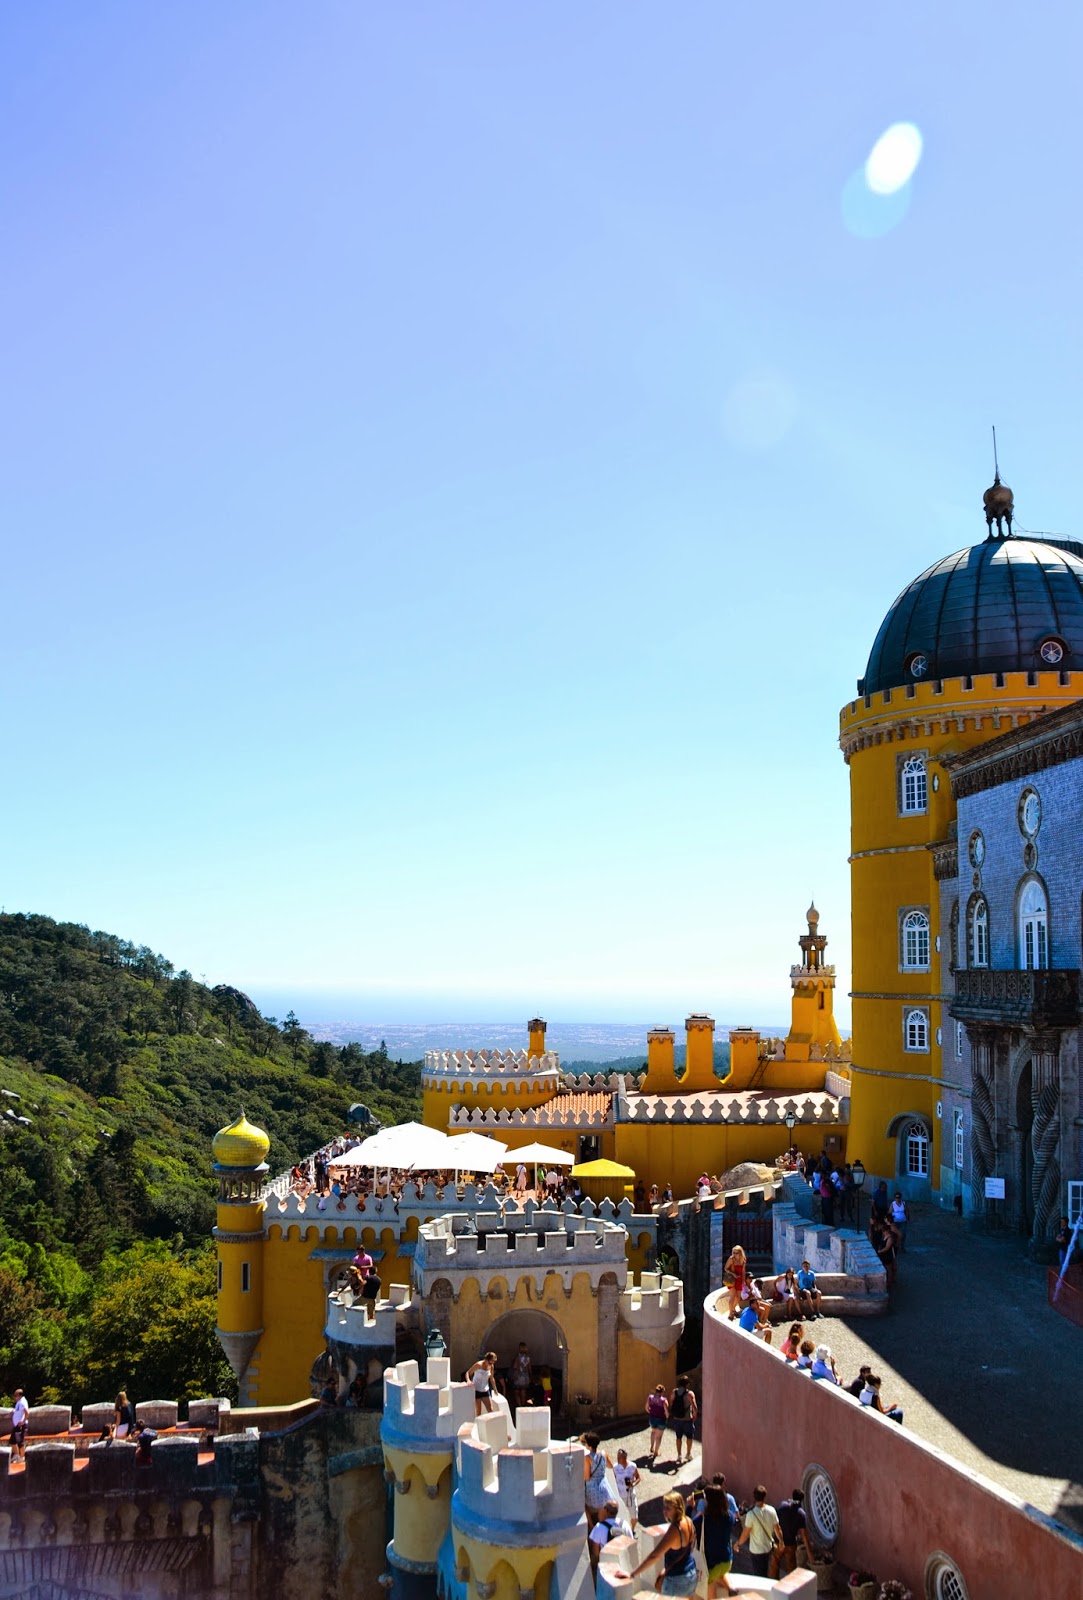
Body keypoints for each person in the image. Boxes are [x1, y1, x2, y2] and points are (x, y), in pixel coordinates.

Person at [617, 1490, 698, 1596]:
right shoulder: (688, 1521)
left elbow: (654, 1556)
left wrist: (632, 1574)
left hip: (676, 1580)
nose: (664, 1511)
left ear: (677, 1508)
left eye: (668, 1508)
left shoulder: (674, 1530)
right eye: (664, 1507)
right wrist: (690, 1507)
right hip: (691, 1574)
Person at [734, 1484, 782, 1578]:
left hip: (756, 1550)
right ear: (765, 1496)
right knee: (765, 1570)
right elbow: (778, 1528)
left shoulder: (751, 1514)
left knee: (759, 1575)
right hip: (768, 1547)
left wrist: (738, 1544)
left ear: (754, 1497)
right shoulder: (771, 1510)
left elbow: (746, 1533)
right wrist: (781, 1542)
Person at [701, 1480, 735, 1597]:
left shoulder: (705, 1520)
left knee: (710, 1586)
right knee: (720, 1573)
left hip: (712, 1563)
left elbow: (690, 1524)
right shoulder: (730, 1516)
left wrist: (690, 1506)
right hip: (727, 1561)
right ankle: (731, 1588)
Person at [773, 1489, 813, 1577]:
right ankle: (790, 1584)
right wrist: (810, 1554)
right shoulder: (801, 1514)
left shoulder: (782, 1505)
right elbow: (804, 1535)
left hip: (778, 1542)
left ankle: (772, 1582)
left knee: (774, 1565)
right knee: (791, 1568)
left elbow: (774, 1522)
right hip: (790, 1544)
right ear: (802, 1500)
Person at [588, 1498, 632, 1577]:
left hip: (607, 1564)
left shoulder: (599, 1527)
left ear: (606, 1510)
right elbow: (630, 1544)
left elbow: (595, 1551)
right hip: (622, 1562)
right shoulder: (625, 1524)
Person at [581, 1432, 612, 1527]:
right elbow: (610, 1466)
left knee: (584, 1505)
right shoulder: (604, 1454)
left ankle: (591, 1526)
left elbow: (587, 1477)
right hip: (604, 1485)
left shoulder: (587, 1458)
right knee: (602, 1509)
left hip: (593, 1487)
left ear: (589, 1445)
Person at [668, 1374, 698, 1465]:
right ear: (687, 1384)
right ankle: (688, 1454)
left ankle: (679, 1455)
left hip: (677, 1418)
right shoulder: (690, 1394)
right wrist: (694, 1415)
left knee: (678, 1437)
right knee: (689, 1437)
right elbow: (695, 1407)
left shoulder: (674, 1392)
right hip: (687, 1419)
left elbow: (671, 1402)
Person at [614, 1448, 640, 1529]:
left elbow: (638, 1478)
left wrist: (633, 1484)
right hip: (619, 1496)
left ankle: (631, 1530)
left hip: (630, 1495)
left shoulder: (632, 1466)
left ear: (624, 1458)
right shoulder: (615, 1467)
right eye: (617, 1456)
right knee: (620, 1517)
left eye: (619, 1457)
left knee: (634, 1517)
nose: (617, 1458)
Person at [646, 1383, 669, 1460]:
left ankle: (652, 1447)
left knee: (653, 1432)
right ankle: (656, 1452)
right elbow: (667, 1412)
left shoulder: (650, 1398)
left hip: (652, 1418)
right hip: (661, 1419)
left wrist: (651, 1412)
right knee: (659, 1436)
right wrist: (667, 1417)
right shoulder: (663, 1400)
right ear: (662, 1392)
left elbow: (646, 1408)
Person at [724, 1245, 747, 1318]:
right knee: (733, 1296)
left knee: (738, 1297)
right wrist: (733, 1274)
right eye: (733, 1252)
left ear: (740, 1253)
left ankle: (733, 1308)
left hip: (739, 1279)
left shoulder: (743, 1259)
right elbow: (726, 1268)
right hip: (732, 1280)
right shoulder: (731, 1259)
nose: (734, 1254)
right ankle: (730, 1313)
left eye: (736, 1253)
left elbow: (743, 1270)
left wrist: (744, 1280)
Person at [511, 1341, 533, 1408]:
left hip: (518, 1375)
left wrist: (514, 1375)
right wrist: (531, 1376)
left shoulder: (517, 1357)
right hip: (525, 1376)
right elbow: (529, 1368)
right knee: (523, 1391)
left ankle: (519, 1405)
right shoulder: (528, 1357)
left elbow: (515, 1367)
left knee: (517, 1391)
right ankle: (523, 1404)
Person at [9, 1389, 29, 1463]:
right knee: (12, 1441)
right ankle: (16, 1455)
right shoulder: (19, 1402)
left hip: (20, 1426)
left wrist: (23, 1422)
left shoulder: (22, 1402)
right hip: (16, 1426)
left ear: (19, 1395)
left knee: (20, 1441)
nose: (14, 1397)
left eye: (15, 1395)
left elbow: (27, 1412)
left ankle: (22, 1457)